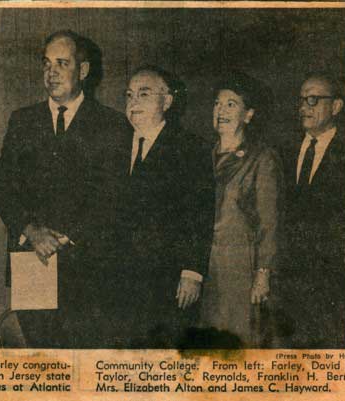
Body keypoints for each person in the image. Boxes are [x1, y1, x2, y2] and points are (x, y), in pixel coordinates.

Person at [0, 30, 129, 348]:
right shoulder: (22, 121)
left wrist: (66, 235)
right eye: (46, 64)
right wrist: (31, 231)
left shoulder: (112, 125)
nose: (51, 72)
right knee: (41, 359)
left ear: (83, 71)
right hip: (31, 259)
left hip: (88, 266)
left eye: (62, 63)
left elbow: (112, 195)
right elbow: (4, 187)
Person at [109, 66, 215, 348]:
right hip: (120, 280)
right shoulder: (114, 145)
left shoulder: (190, 148)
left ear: (167, 102)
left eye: (144, 94)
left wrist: (192, 273)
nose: (133, 103)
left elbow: (200, 214)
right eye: (129, 95)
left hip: (166, 282)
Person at [199, 71, 284, 348]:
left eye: (230, 104)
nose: (220, 110)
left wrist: (263, 273)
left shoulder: (262, 158)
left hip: (240, 268)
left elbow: (269, 221)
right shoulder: (201, 155)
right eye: (216, 103)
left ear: (248, 115)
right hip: (206, 267)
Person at [280, 73, 345, 348]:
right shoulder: (284, 151)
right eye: (301, 100)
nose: (303, 108)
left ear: (336, 106)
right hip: (288, 283)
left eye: (313, 100)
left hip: (332, 285)